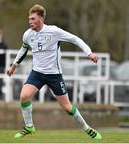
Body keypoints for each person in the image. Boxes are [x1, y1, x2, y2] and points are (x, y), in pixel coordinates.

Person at [6, 4, 102, 139]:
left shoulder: (53, 31)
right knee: (24, 96)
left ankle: (87, 128)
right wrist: (13, 67)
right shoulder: (27, 35)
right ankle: (29, 127)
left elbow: (75, 39)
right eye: (29, 19)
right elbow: (23, 50)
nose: (30, 22)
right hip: (37, 73)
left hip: (54, 75)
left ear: (41, 18)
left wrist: (89, 53)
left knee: (67, 108)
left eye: (33, 19)